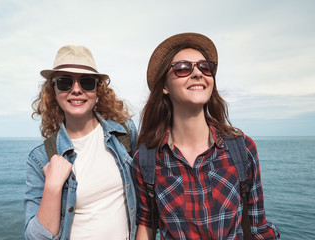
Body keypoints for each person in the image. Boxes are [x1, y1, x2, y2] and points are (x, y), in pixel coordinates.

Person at [132, 33, 280, 239]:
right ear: (164, 86)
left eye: (205, 67)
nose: (197, 73)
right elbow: (147, 226)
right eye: (183, 68)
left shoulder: (242, 149)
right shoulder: (146, 159)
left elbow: (258, 230)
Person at [24, 45, 137, 240]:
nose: (76, 90)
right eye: (65, 82)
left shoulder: (124, 132)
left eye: (86, 82)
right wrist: (52, 186)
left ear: (97, 90)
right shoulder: (41, 158)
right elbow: (35, 237)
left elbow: (146, 198)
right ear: (53, 90)